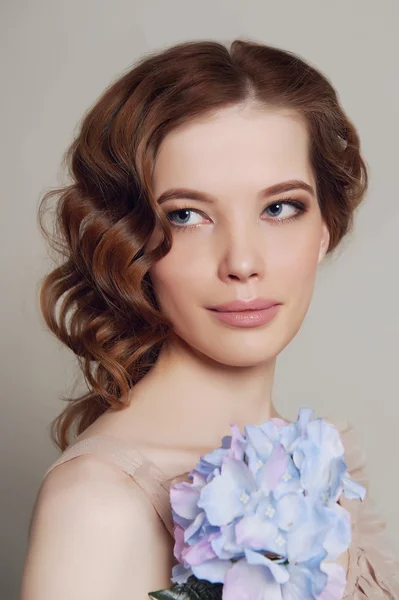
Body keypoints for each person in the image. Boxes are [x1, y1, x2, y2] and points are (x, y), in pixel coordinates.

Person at [20, 39, 399, 599]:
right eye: (188, 216)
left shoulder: (314, 467)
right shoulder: (99, 506)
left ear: (324, 229)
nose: (242, 263)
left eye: (279, 208)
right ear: (131, 241)